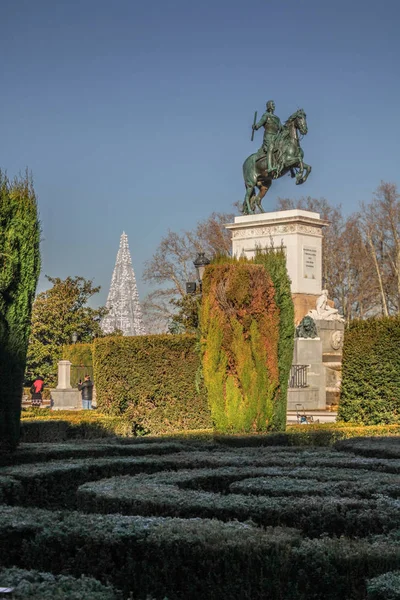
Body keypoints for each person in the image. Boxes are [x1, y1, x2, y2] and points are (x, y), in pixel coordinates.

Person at [253, 100, 282, 174]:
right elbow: (259, 124)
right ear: (269, 106)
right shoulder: (266, 115)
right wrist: (255, 126)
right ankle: (269, 167)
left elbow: (281, 128)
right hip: (268, 136)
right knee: (271, 147)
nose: (274, 106)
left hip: (276, 136)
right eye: (272, 104)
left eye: (274, 104)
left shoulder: (277, 118)